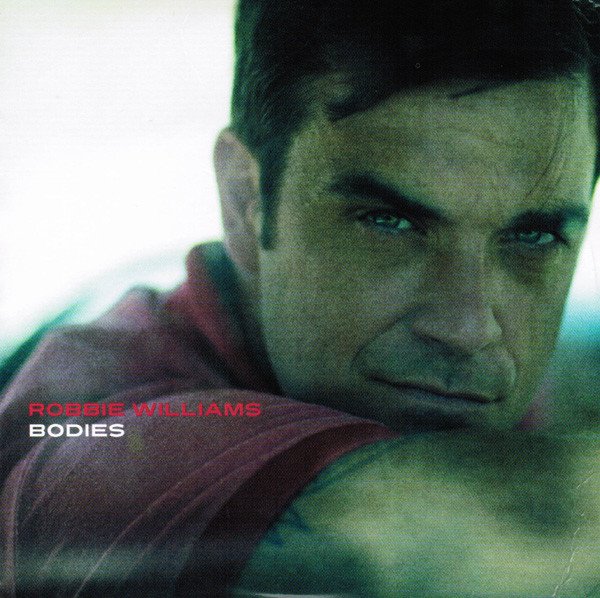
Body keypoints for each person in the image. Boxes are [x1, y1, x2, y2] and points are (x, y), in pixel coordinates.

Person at [1, 0, 600, 595]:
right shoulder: (97, 436)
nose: (469, 328)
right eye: (387, 222)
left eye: (533, 237)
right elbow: (532, 526)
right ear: (246, 202)